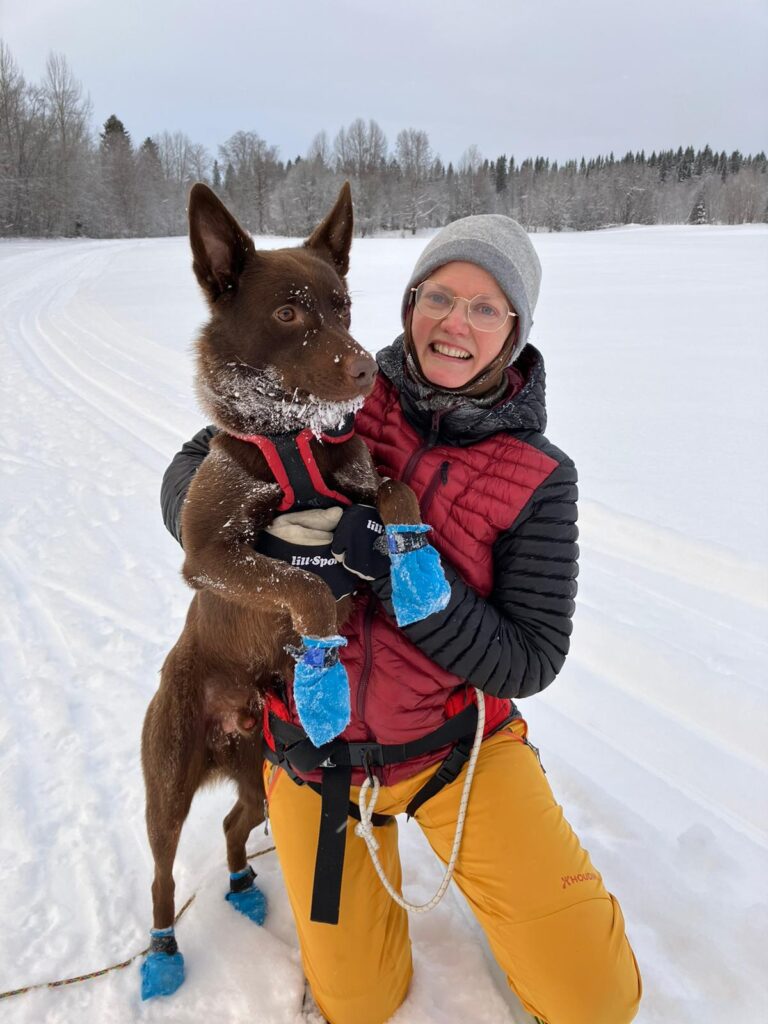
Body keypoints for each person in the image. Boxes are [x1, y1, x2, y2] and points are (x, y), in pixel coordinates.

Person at [161, 215, 642, 1024]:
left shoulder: (539, 476)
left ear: (516, 330)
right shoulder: (340, 383)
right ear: (411, 302)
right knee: (359, 1004)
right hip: (319, 753)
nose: (457, 322)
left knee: (595, 1000)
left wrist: (409, 587)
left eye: (486, 308)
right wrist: (278, 546)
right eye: (440, 296)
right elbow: (190, 469)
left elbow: (530, 660)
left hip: (460, 746)